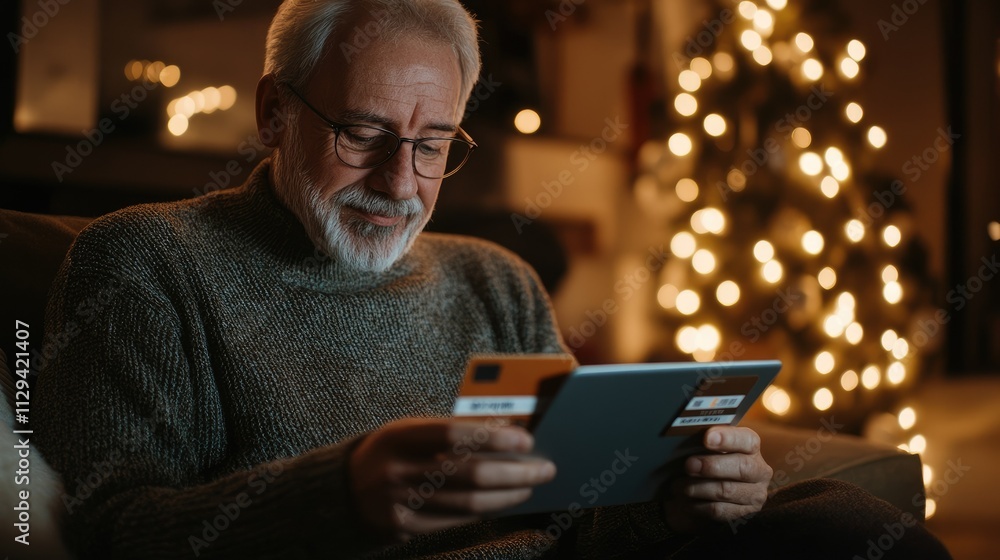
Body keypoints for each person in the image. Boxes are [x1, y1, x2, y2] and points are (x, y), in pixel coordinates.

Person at [34, 1, 952, 559]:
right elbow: (118, 534)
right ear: (276, 113)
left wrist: (673, 501)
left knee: (839, 526)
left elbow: (572, 522)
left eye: (434, 145)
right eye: (364, 134)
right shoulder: (146, 263)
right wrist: (344, 495)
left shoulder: (496, 282)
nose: (402, 183)